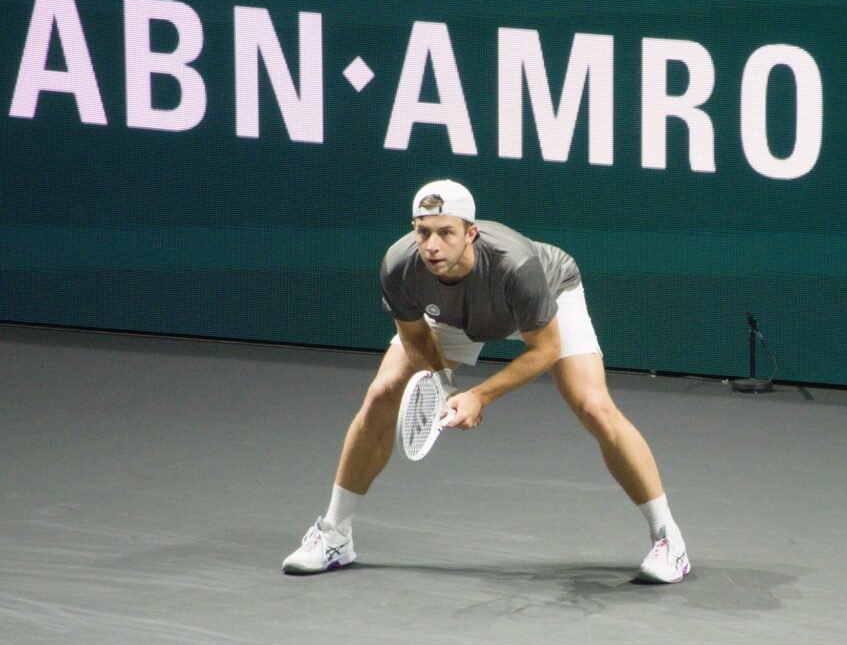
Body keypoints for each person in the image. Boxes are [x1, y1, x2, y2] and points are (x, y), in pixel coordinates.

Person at [283, 179, 690, 583]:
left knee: (594, 407)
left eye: (446, 233)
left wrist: (478, 396)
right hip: (451, 315)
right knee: (380, 396)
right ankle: (334, 533)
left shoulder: (517, 265)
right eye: (423, 232)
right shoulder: (400, 265)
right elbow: (415, 336)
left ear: (470, 233)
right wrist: (444, 386)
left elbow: (544, 350)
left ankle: (668, 539)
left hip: (544, 300)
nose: (432, 246)